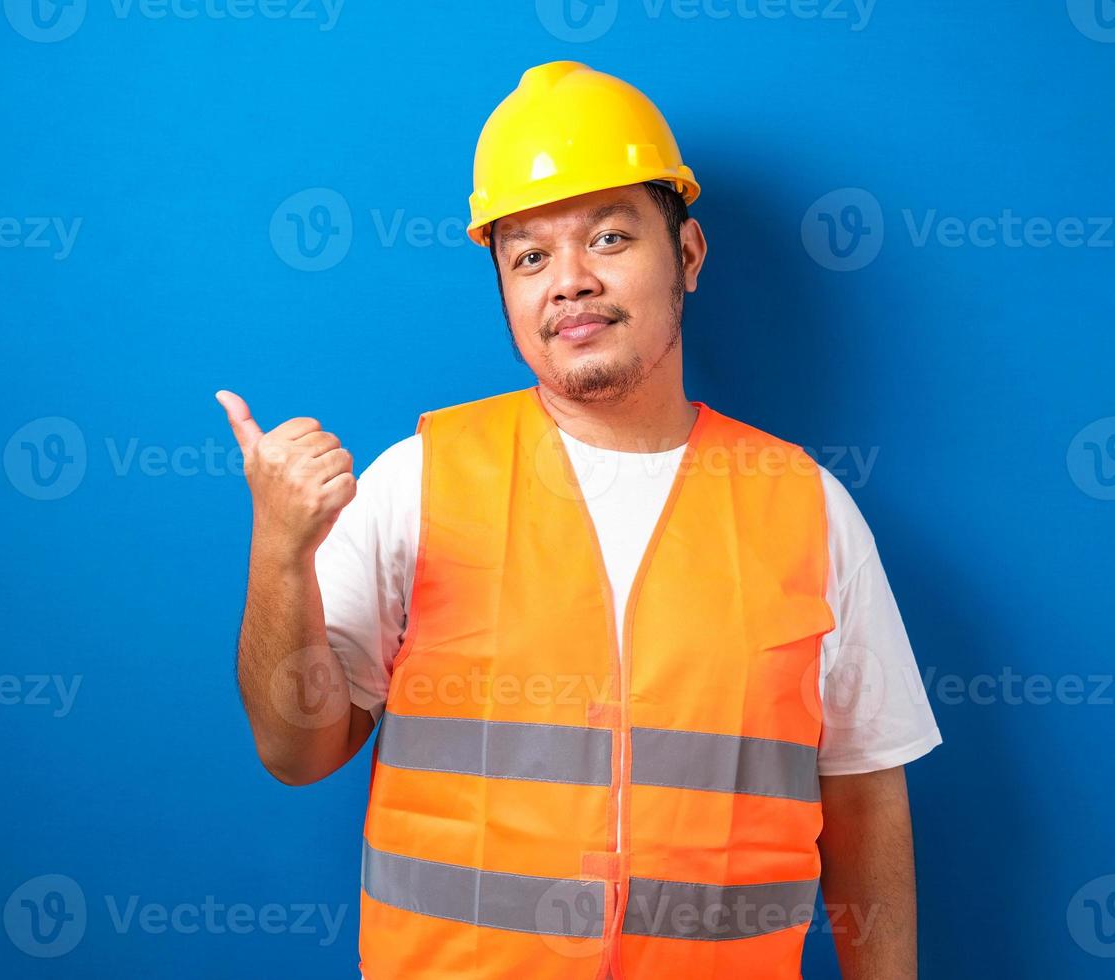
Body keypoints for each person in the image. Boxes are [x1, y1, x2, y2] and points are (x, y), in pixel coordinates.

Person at [218, 60, 941, 979]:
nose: (568, 281)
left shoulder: (807, 506)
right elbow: (295, 749)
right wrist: (279, 555)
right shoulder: (419, 483)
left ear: (686, 255)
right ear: (506, 291)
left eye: (607, 237)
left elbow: (868, 797)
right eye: (528, 255)